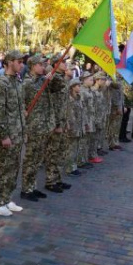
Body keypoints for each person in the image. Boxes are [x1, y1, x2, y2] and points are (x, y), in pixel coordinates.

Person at [0, 50, 26, 217]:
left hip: (18, 132)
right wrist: (3, 135)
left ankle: (7, 198)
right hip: (7, 134)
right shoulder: (2, 83)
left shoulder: (17, 82)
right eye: (19, 62)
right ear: (10, 62)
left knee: (13, 168)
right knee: (2, 168)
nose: (21, 65)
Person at [20, 54, 56, 201]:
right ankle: (26, 189)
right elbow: (21, 103)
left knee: (38, 158)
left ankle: (33, 186)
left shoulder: (44, 81)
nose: (43, 67)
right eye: (41, 65)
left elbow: (58, 88)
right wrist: (24, 115)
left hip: (44, 125)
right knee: (30, 158)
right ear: (33, 66)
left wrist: (52, 80)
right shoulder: (27, 83)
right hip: (33, 126)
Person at [44, 55, 71, 193]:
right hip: (55, 122)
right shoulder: (53, 78)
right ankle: (50, 181)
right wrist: (57, 124)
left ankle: (58, 179)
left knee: (61, 152)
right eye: (63, 62)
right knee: (53, 153)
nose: (66, 64)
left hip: (63, 119)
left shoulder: (61, 78)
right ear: (56, 63)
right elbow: (53, 103)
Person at [64, 77, 84, 176]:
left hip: (78, 126)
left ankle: (73, 166)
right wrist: (70, 126)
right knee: (70, 149)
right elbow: (69, 114)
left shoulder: (78, 98)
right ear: (72, 87)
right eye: (77, 86)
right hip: (72, 127)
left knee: (75, 148)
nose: (79, 87)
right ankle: (69, 168)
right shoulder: (70, 99)